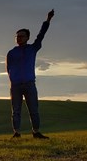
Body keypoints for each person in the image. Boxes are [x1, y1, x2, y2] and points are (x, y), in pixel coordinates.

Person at [7, 9, 55, 139]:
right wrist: (13, 80)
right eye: (17, 36)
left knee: (33, 110)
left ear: (27, 37)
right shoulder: (11, 53)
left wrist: (48, 20)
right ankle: (16, 133)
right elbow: (8, 68)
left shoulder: (32, 49)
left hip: (29, 84)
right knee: (15, 111)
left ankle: (36, 132)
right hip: (16, 85)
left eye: (21, 36)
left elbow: (41, 35)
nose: (18, 38)